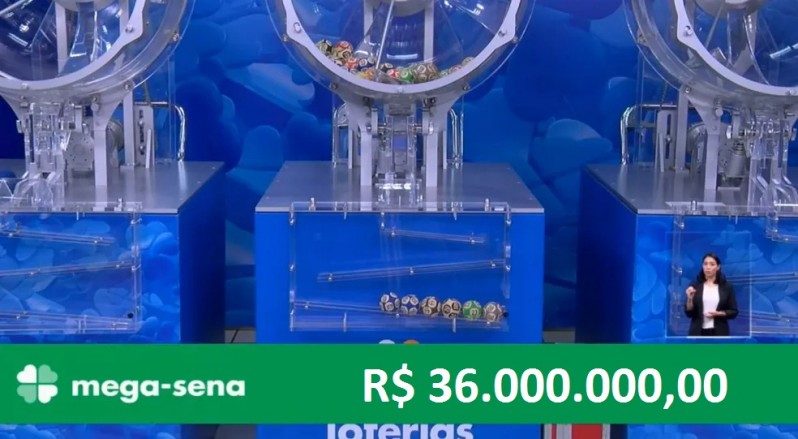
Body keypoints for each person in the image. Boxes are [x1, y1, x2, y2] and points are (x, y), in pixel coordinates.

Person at [684, 252, 738, 336]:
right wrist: (689, 299)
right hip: (697, 332)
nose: (708, 267)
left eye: (712, 264)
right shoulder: (695, 286)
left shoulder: (727, 287)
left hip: (719, 332)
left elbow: (733, 312)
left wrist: (719, 313)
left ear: (718, 267)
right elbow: (689, 313)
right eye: (705, 264)